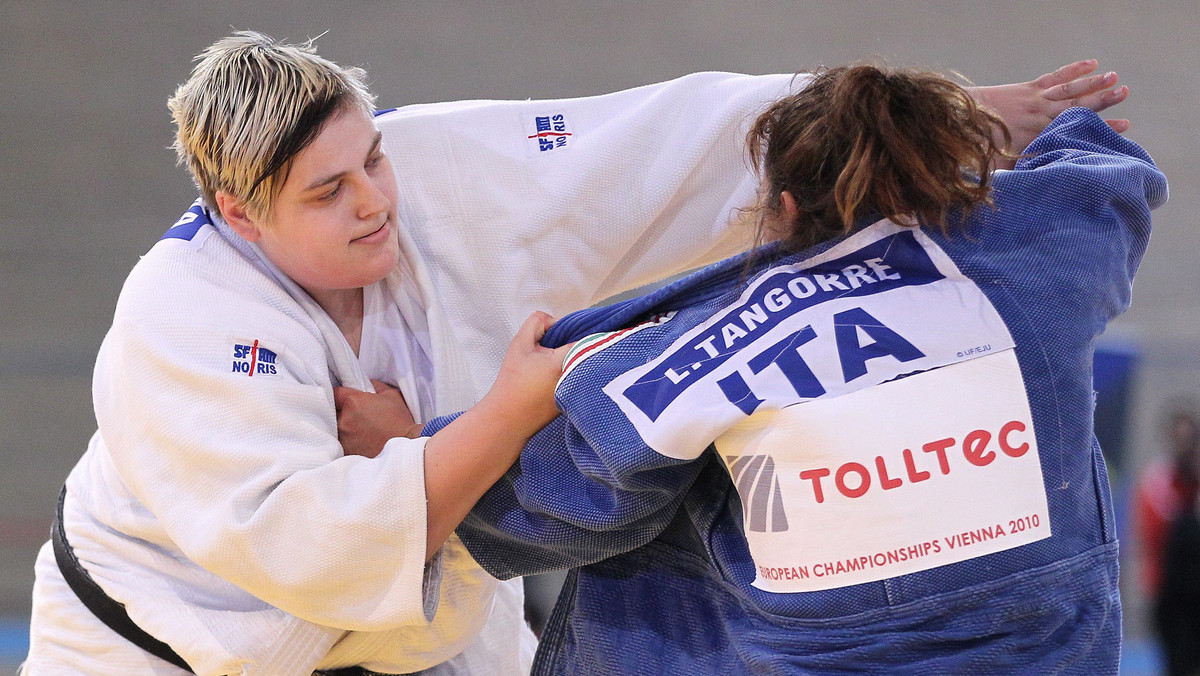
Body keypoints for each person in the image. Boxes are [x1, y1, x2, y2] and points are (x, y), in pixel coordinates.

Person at [24, 29, 1132, 676]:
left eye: (373, 158)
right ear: (237, 212)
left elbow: (648, 146)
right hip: (164, 643)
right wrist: (504, 414)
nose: (375, 201)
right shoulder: (181, 319)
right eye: (329, 190)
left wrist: (922, 119)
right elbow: (301, 548)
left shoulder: (440, 169)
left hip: (419, 623)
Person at [356, 64, 1165, 673]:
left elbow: (560, 505)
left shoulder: (692, 345)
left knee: (644, 518)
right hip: (1050, 651)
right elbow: (1107, 175)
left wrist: (423, 447)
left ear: (779, 209)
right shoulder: (1045, 251)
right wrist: (977, 146)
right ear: (949, 173)